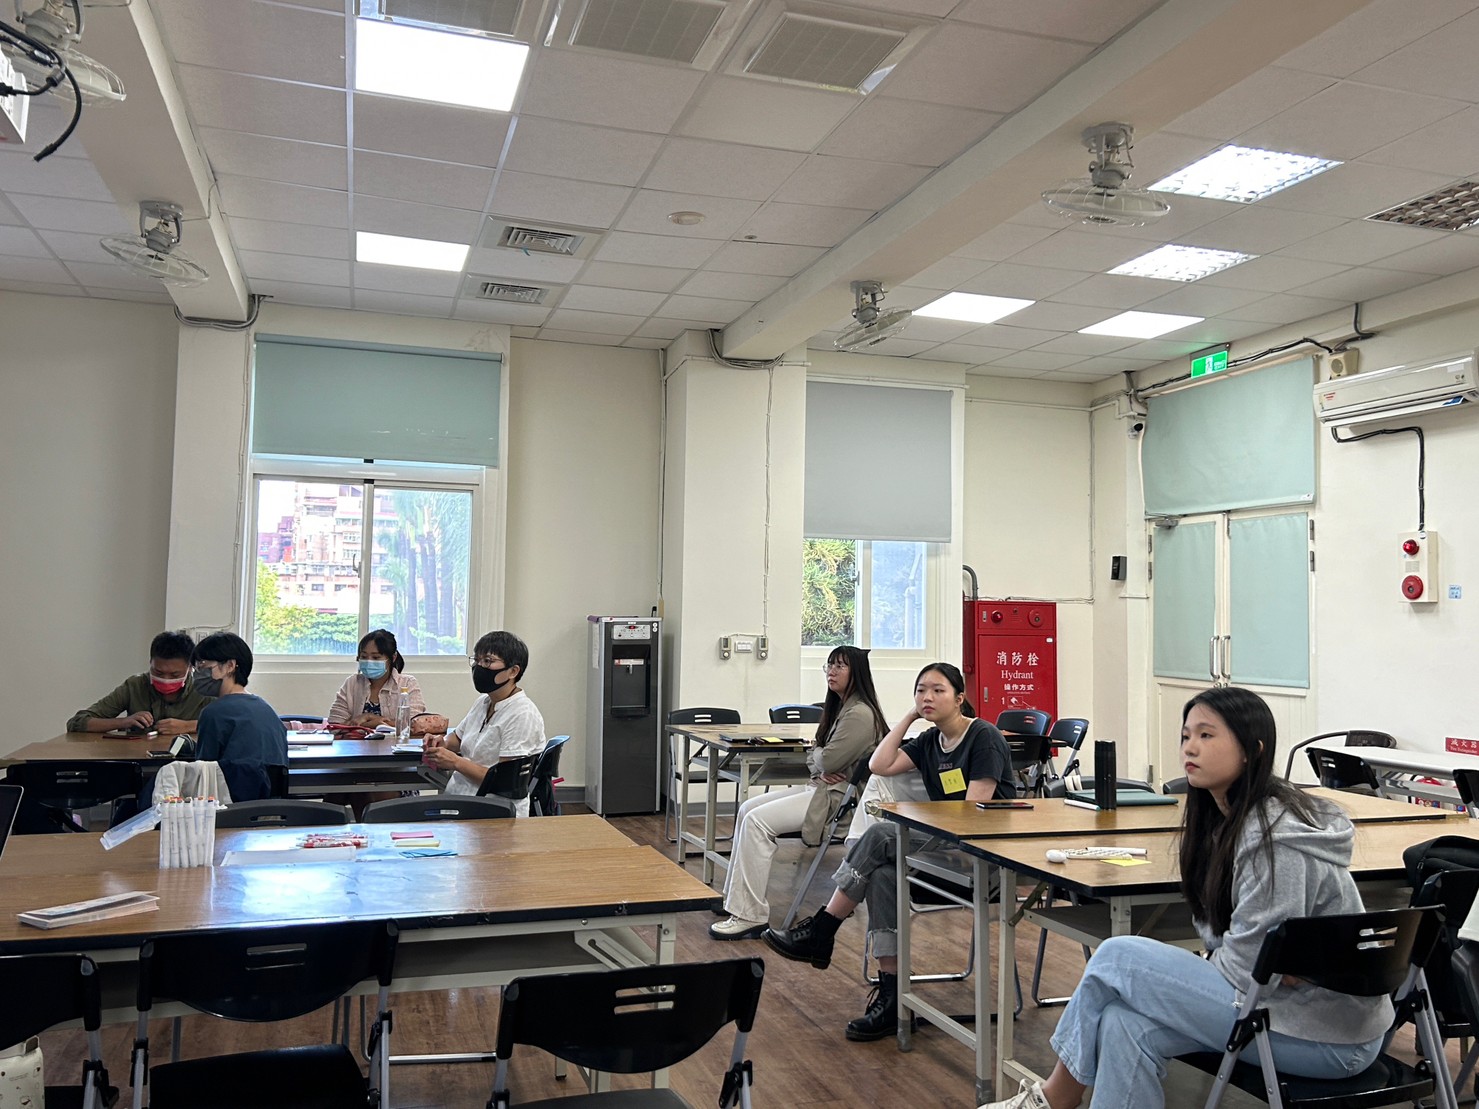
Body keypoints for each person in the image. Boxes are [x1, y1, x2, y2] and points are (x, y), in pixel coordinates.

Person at [981, 686, 1392, 1109]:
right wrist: (1261, 960)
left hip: (1330, 1036)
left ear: (1252, 750)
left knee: (1117, 957)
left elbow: (1250, 968)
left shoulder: (1276, 837)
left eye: (1206, 735)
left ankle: (1055, 1099)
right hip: (1277, 1008)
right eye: (1186, 736)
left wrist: (1259, 960)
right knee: (1123, 1023)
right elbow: (1237, 950)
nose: (1190, 748)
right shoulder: (1222, 824)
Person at [764, 661, 1014, 1042]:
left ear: (960, 698)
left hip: (983, 858)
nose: (928, 697)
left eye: (938, 691)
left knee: (882, 835)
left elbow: (970, 814)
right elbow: (879, 764)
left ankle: (823, 929)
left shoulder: (984, 736)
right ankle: (892, 995)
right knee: (882, 875)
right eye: (921, 691)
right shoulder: (930, 741)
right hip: (945, 852)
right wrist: (910, 717)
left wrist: (919, 820)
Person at [710, 646, 888, 940]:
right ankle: (737, 900)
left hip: (837, 800)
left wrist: (821, 759)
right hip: (822, 788)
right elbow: (816, 755)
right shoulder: (842, 707)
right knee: (746, 810)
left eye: (840, 666)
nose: (831, 672)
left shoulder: (860, 714)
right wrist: (820, 759)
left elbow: (826, 760)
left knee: (756, 821)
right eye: (829, 665)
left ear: (856, 672)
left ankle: (750, 915)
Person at [424, 630, 545, 816]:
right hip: (462, 800)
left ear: (513, 671)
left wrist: (455, 762)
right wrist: (442, 743)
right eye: (477, 660)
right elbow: (458, 737)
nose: (479, 666)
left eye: (488, 661)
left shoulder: (522, 714)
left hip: (493, 810)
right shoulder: (484, 702)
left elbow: (504, 782)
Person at [191, 632, 289, 803]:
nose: (198, 673)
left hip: (229, 805)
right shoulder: (267, 710)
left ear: (230, 665)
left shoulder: (212, 713)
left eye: (203, 665)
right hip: (271, 807)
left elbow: (204, 771)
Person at [66, 630, 214, 735]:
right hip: (140, 761)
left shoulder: (204, 689)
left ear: (190, 668)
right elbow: (77, 722)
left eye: (175, 674)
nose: (166, 679)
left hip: (188, 764)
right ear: (150, 663)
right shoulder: (134, 686)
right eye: (158, 672)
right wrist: (124, 722)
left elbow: (226, 725)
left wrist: (188, 726)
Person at [326, 629, 424, 727]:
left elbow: (415, 724)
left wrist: (369, 720)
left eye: (376, 657)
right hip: (357, 738)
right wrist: (369, 720)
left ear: (393, 657)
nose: (369, 661)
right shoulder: (352, 683)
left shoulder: (407, 683)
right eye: (364, 657)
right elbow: (335, 724)